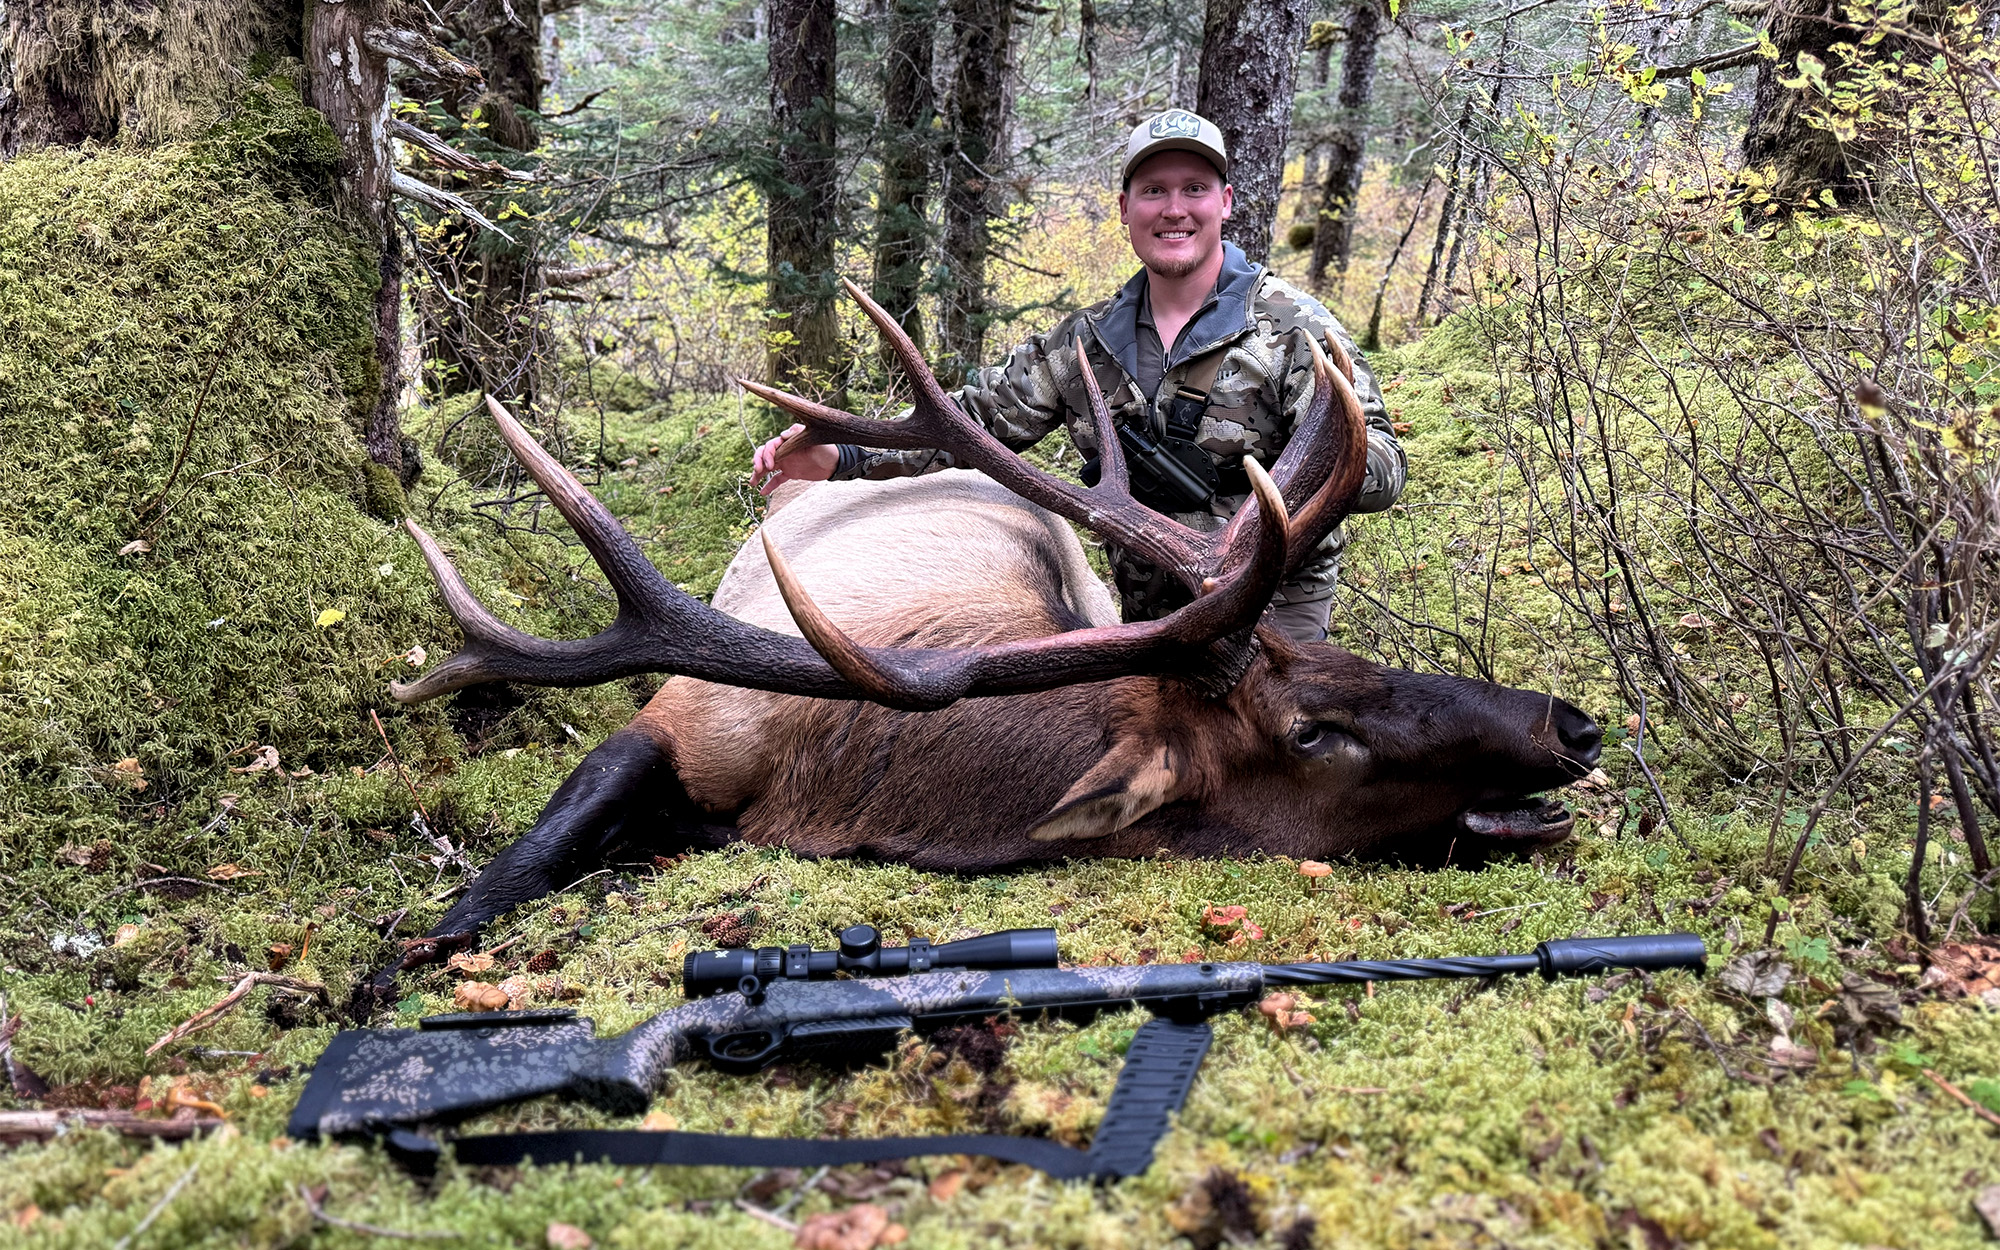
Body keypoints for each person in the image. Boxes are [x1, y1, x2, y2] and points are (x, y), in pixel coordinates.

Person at [750, 108, 1404, 644]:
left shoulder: (1297, 329)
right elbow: (972, 425)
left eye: (1193, 189)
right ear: (1125, 208)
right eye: (1154, 191)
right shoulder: (1083, 344)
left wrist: (1261, 496)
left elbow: (1379, 465)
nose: (1174, 209)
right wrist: (845, 455)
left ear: (1225, 202)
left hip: (1273, 611)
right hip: (1152, 617)